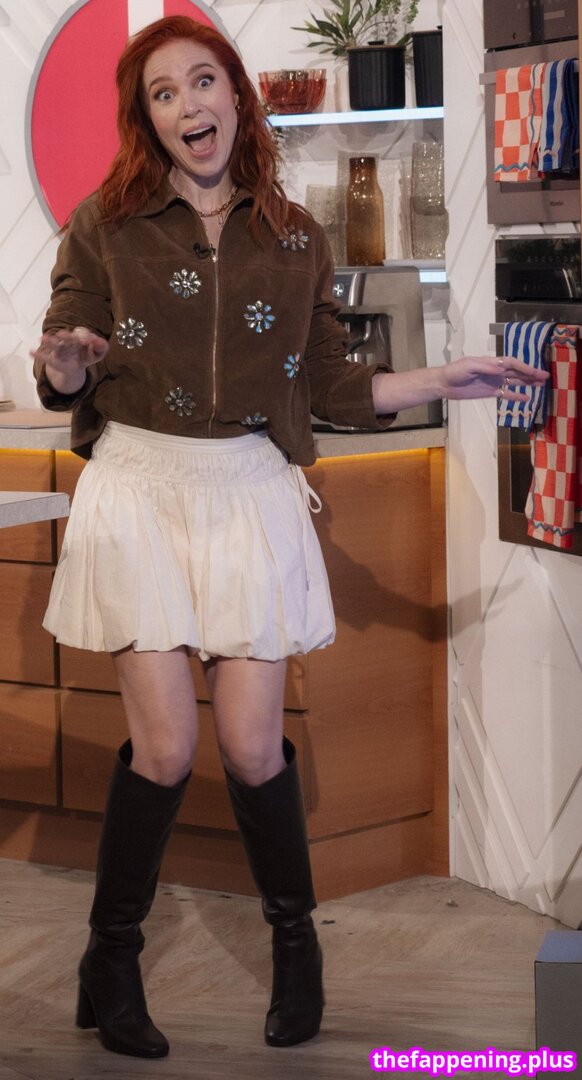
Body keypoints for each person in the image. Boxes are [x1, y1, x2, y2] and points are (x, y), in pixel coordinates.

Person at [31, 14, 548, 1063]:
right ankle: (111, 959)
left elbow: (334, 386)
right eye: (163, 94)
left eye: (202, 82)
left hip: (248, 491)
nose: (188, 106)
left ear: (235, 95)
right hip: (140, 487)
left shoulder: (296, 235)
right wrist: (67, 362)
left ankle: (295, 949)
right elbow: (65, 349)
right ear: (146, 119)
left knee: (252, 746)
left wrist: (445, 377)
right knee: (167, 748)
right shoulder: (105, 225)